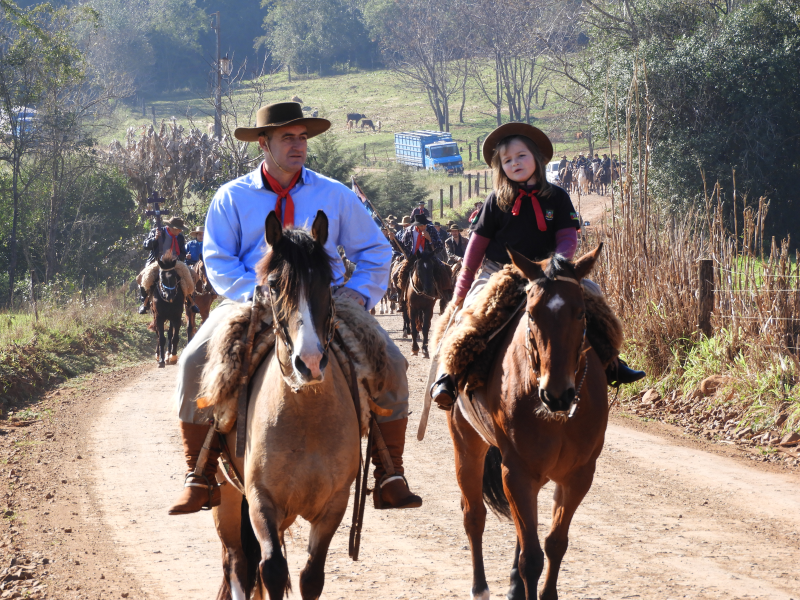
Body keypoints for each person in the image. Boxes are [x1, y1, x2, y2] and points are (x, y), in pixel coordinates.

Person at [168, 102, 422, 515]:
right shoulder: (232, 197)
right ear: (263, 144)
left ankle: (389, 471)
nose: (298, 145)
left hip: (326, 302)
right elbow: (217, 259)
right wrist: (253, 292)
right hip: (252, 300)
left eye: (302, 137)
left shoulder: (334, 193)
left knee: (392, 361)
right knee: (194, 360)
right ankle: (197, 476)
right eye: (287, 137)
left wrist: (358, 293)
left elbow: (376, 250)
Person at [430, 122, 645, 407]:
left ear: (537, 159)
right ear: (500, 167)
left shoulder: (557, 196)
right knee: (471, 312)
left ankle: (611, 360)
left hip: (548, 272)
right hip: (500, 271)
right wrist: (461, 289)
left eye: (521, 156)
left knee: (592, 297)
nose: (515, 163)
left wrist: (558, 263)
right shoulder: (495, 201)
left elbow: (568, 236)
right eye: (507, 160)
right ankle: (450, 375)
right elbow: (476, 248)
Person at [137, 217, 199, 315]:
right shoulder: (156, 231)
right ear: (172, 228)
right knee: (141, 278)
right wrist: (155, 238)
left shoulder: (180, 237)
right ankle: (144, 302)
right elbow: (146, 245)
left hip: (175, 262)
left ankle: (190, 300)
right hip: (157, 261)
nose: (180, 231)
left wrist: (177, 256)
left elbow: (183, 253)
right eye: (179, 229)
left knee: (194, 276)